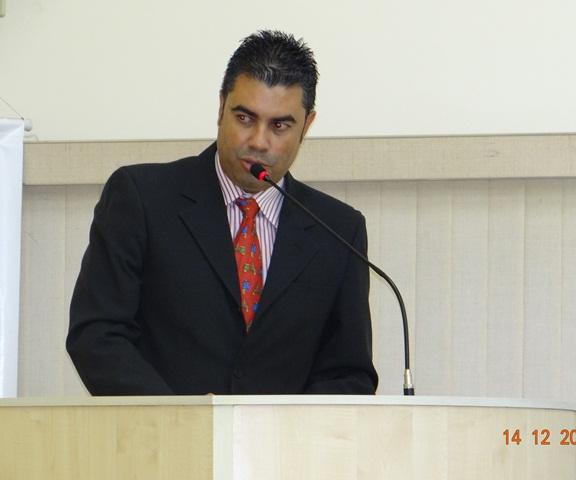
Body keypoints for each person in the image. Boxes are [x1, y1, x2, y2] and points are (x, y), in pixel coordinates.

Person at [66, 30, 378, 395]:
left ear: (307, 125)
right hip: (163, 430)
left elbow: (349, 375)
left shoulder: (338, 230)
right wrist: (183, 419)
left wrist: (281, 427)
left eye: (279, 125)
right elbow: (98, 336)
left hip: (283, 435)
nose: (258, 141)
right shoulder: (142, 198)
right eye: (244, 118)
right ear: (220, 107)